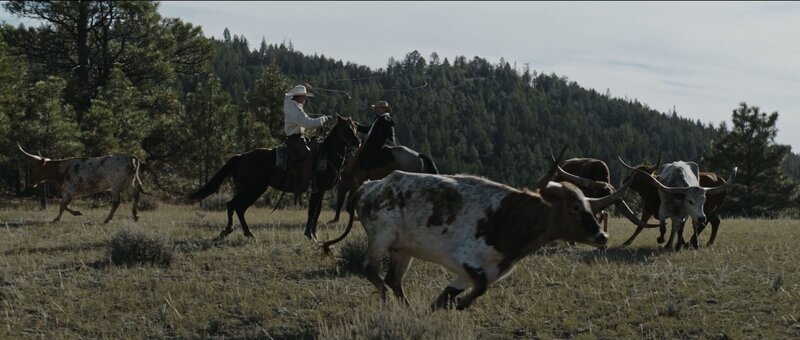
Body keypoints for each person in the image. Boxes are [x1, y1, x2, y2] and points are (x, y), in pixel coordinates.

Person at [283, 84, 330, 193]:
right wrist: (323, 119)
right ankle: (304, 184)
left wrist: (303, 86)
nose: (305, 98)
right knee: (309, 156)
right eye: (304, 96)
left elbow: (287, 95)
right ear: (299, 97)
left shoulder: (289, 102)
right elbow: (308, 123)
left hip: (296, 138)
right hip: (295, 140)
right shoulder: (296, 110)